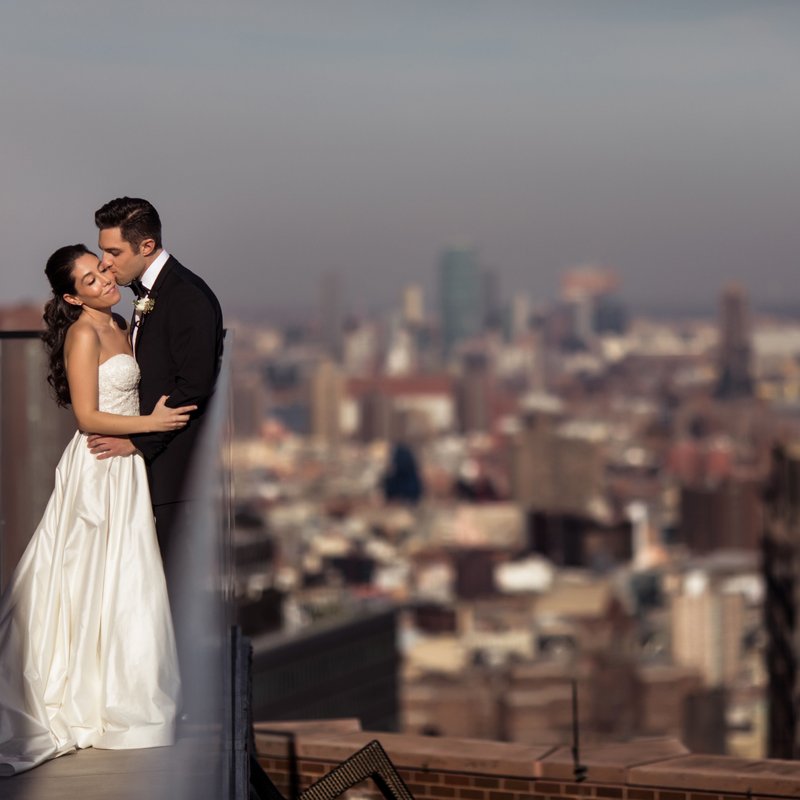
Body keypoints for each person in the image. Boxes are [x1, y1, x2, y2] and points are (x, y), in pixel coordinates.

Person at [0, 244, 193, 776]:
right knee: (90, 579)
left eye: (102, 267)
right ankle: (86, 700)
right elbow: (88, 416)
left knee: (125, 581)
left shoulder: (124, 320)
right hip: (99, 467)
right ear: (71, 295)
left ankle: (122, 696)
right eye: (89, 279)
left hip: (126, 466)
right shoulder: (84, 334)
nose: (104, 278)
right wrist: (151, 427)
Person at [87, 198, 223, 585]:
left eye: (113, 252)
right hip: (150, 467)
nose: (105, 263)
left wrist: (140, 442)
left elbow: (194, 384)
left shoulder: (186, 296)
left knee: (165, 585)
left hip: (171, 471)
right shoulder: (151, 291)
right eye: (103, 251)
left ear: (146, 246)